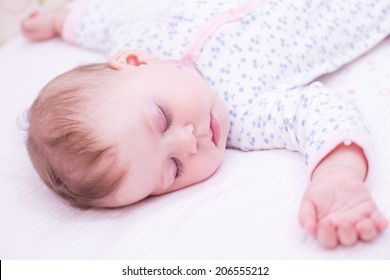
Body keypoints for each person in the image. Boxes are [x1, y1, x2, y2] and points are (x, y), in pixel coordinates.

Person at [21, 0, 389, 248]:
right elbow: (318, 110)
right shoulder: (242, 114)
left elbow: (110, 24)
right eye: (174, 168)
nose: (189, 142)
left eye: (161, 119)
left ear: (133, 62)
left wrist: (61, 18)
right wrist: (338, 174)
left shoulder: (134, 39)